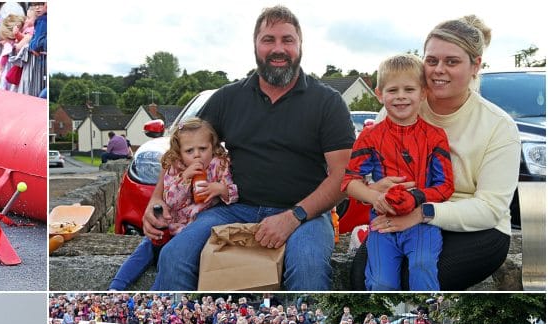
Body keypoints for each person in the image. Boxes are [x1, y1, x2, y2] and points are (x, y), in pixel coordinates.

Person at [145, 5, 354, 291]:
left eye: (287, 40)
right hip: (234, 208)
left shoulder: (327, 102)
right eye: (269, 39)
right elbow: (180, 149)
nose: (278, 49)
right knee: (174, 256)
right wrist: (156, 201)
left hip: (306, 214)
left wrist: (294, 216)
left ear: (300, 45)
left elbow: (345, 176)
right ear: (255, 45)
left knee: (308, 270)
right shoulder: (228, 98)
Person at [353, 15, 520, 290]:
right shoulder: (400, 105)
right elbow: (366, 172)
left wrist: (422, 212)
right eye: (431, 61)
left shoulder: (498, 126)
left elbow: (490, 208)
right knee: (364, 277)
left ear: (475, 65)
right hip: (403, 212)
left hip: (475, 226)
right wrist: (376, 190)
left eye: (451, 62)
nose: (438, 70)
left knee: (413, 278)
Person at [342, 54, 454, 290]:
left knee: (423, 267)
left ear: (423, 93)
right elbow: (350, 181)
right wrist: (376, 197)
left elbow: (445, 186)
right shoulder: (369, 136)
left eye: (409, 89)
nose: (401, 96)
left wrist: (416, 197)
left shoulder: (436, 137)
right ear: (379, 94)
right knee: (381, 281)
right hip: (383, 222)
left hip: (422, 222)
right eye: (393, 90)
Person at [109, 118, 238, 291]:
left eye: (203, 149)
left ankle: (155, 294)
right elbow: (170, 200)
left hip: (194, 228)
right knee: (145, 248)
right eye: (189, 151)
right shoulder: (175, 167)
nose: (197, 155)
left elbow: (234, 194)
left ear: (213, 146)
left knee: (171, 258)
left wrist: (220, 189)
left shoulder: (219, 164)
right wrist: (185, 179)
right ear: (180, 152)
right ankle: (116, 286)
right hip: (171, 223)